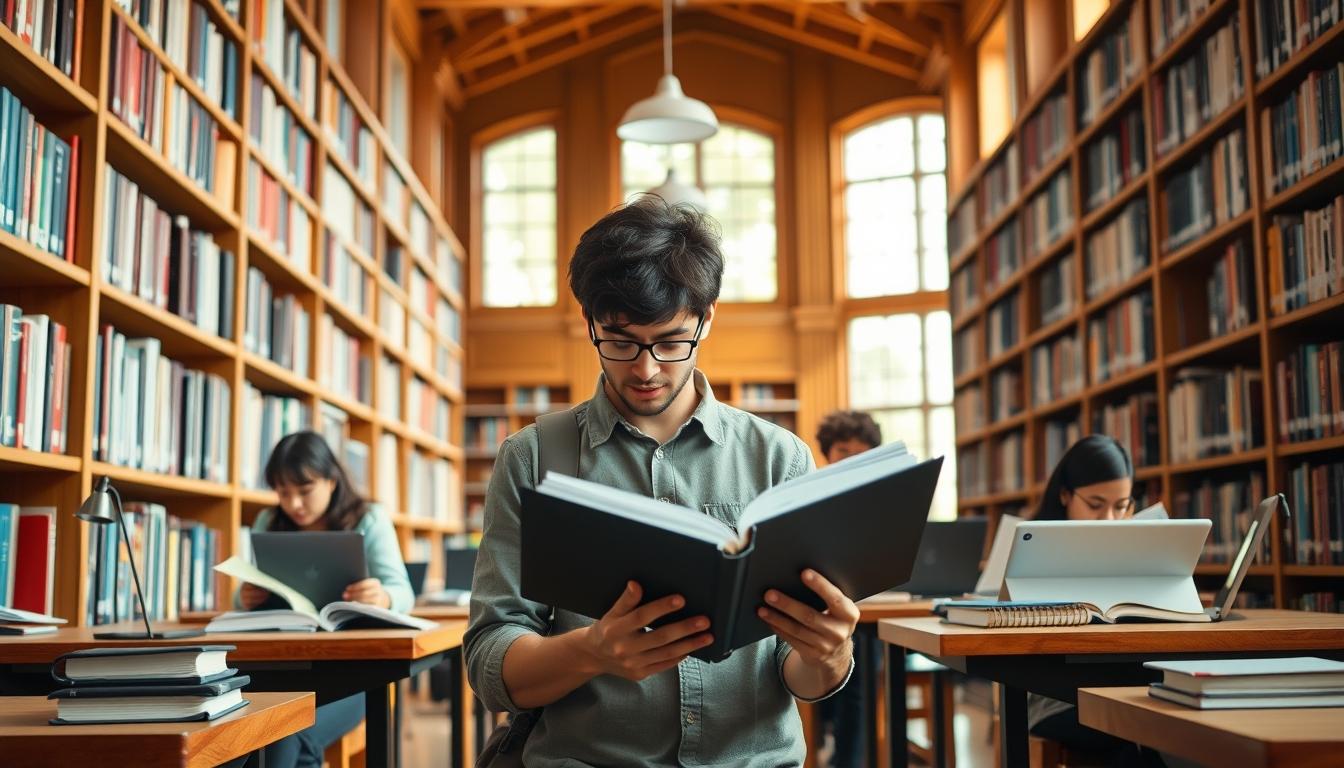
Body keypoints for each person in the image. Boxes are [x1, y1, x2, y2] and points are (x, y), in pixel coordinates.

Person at [465, 195, 860, 766]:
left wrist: (828, 656)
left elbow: (797, 674)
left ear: (707, 318)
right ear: (590, 323)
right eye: (620, 341)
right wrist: (592, 652)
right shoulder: (532, 459)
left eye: (672, 341)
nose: (645, 369)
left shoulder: (781, 460)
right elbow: (489, 665)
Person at [239, 430, 415, 768]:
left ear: (332, 481)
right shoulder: (268, 521)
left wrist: (383, 596)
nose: (293, 504)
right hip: (281, 668)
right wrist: (245, 594)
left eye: (304, 491)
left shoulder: (369, 518)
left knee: (285, 730)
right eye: (283, 492)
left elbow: (403, 592)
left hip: (357, 674)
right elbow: (246, 588)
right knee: (262, 728)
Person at [1028, 435, 1163, 767]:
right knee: (1140, 734)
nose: (1109, 521)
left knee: (1157, 731)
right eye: (1095, 505)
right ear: (1064, 495)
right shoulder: (1033, 553)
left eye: (1121, 507)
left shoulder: (1134, 548)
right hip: (1053, 701)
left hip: (1121, 692)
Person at [813, 411, 883, 768]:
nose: (852, 459)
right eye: (843, 450)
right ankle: (821, 734)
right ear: (827, 452)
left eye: (862, 451)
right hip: (815, 603)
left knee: (864, 655)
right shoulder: (807, 489)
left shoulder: (886, 501)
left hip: (870, 609)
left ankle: (848, 759)